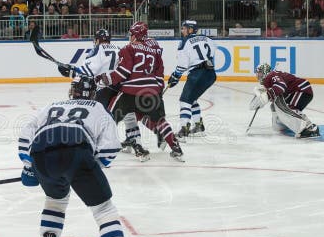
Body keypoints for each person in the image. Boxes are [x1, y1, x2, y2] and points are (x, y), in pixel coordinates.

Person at [18, 76, 145, 237]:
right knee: (104, 209)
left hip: (41, 151)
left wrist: (28, 163)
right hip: (77, 148)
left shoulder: (53, 105)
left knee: (55, 200)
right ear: (93, 93)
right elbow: (111, 146)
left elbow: (27, 133)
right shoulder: (98, 107)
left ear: (72, 91)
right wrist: (92, 165)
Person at [96, 22, 183, 161]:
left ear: (135, 35)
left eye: (131, 34)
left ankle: (100, 146)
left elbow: (123, 72)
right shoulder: (154, 50)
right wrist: (158, 91)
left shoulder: (128, 48)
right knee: (160, 121)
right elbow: (159, 73)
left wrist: (105, 80)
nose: (129, 36)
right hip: (152, 91)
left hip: (130, 91)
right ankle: (176, 147)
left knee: (110, 116)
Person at [61, 28, 149, 161]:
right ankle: (137, 145)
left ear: (97, 40)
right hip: (123, 87)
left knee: (98, 117)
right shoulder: (119, 48)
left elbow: (88, 71)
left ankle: (92, 146)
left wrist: (71, 71)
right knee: (129, 114)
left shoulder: (97, 49)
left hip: (105, 88)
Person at [167, 20, 216, 138]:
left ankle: (184, 129)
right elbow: (212, 52)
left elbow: (182, 65)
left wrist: (175, 76)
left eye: (184, 28)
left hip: (197, 74)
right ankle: (198, 126)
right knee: (192, 99)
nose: (182, 31)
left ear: (190, 29)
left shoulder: (184, 42)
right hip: (211, 74)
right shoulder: (208, 39)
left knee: (184, 100)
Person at [251, 63, 320, 138]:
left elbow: (281, 86)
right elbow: (277, 93)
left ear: (265, 72)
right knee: (274, 106)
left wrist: (267, 95)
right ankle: (282, 125)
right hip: (294, 91)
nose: (258, 75)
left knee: (289, 108)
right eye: (257, 73)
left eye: (260, 73)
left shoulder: (271, 76)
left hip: (302, 89)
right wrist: (264, 97)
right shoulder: (269, 79)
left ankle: (308, 127)